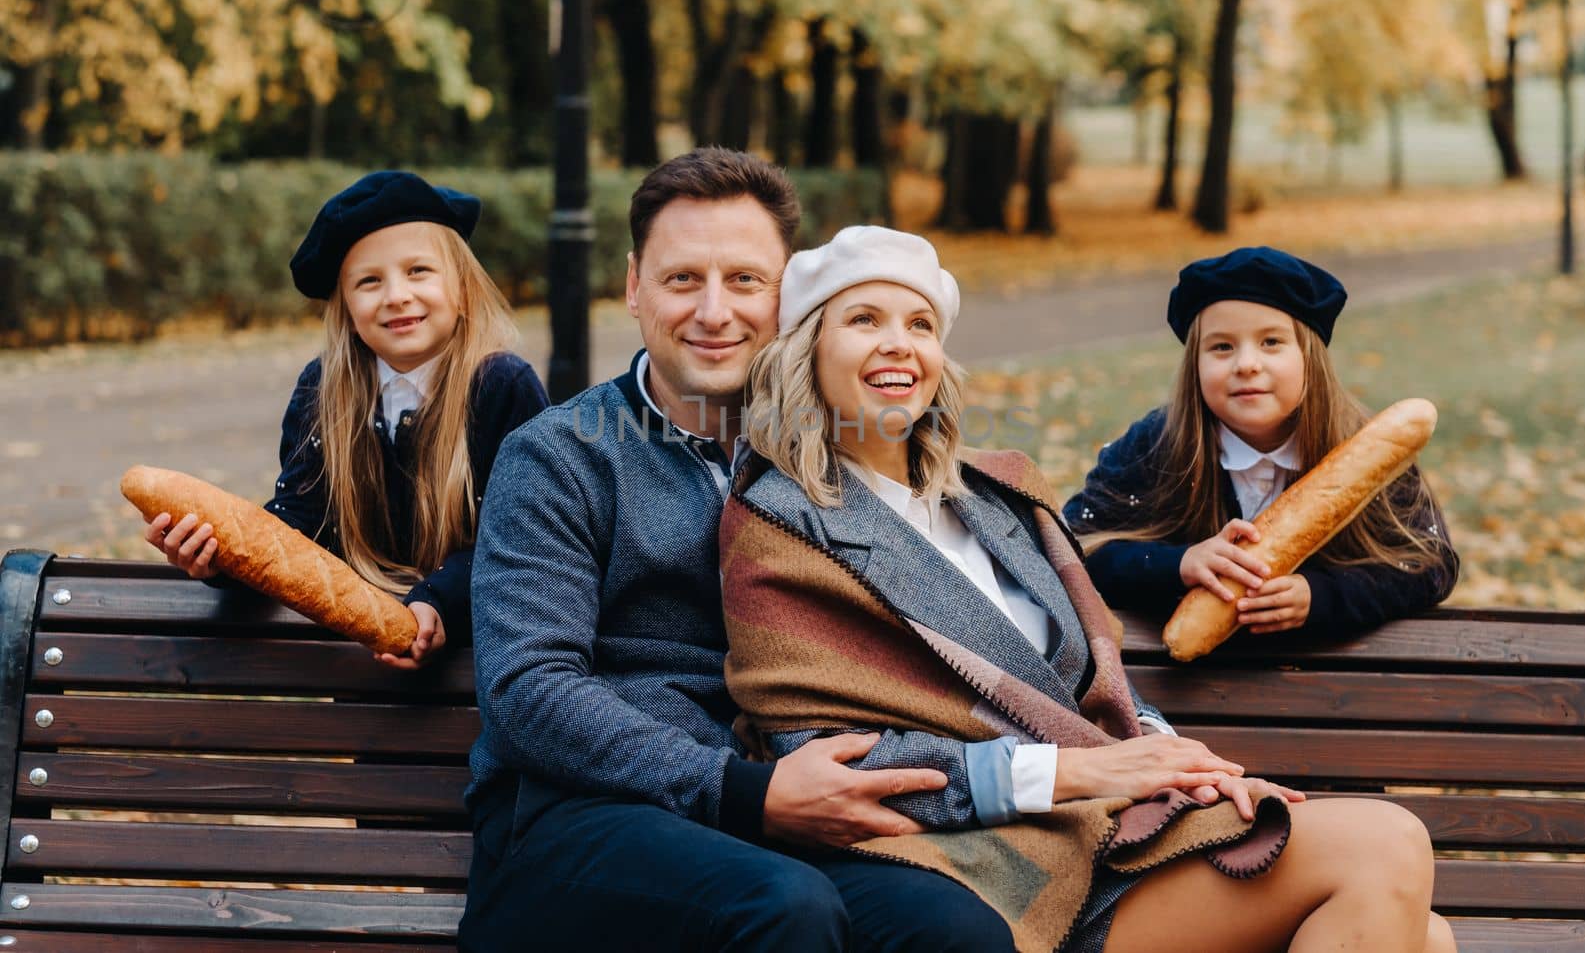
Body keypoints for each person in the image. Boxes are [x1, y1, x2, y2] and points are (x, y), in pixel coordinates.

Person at [722, 225, 1456, 953]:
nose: (898, 342)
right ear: (807, 350)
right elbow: (824, 758)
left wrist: (1178, 758)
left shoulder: (999, 491)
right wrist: (1085, 768)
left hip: (1119, 823)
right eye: (863, 320)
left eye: (919, 323)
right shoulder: (781, 521)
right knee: (1386, 844)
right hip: (993, 860)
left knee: (1427, 935)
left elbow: (1089, 681)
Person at [460, 148, 1014, 952]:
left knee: (956, 929)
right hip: (575, 817)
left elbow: (985, 556)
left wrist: (1138, 557)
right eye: (683, 278)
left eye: (745, 281)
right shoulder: (560, 455)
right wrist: (741, 790)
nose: (714, 311)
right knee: (782, 907)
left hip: (772, 808)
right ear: (633, 286)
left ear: (787, 294)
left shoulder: (835, 453)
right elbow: (527, 691)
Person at [142, 171, 547, 668]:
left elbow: (522, 541)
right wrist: (219, 559)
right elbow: (299, 531)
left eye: (419, 270)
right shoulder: (324, 391)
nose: (396, 295)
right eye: (369, 281)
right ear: (347, 307)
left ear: (462, 287)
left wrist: (437, 603)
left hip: (485, 661)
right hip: (366, 662)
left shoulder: (501, 386)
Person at [1065, 246, 1457, 638]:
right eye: (1222, 347)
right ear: (1194, 365)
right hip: (1180, 688)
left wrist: (1322, 596)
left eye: (1271, 342)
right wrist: (1178, 565)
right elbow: (1071, 548)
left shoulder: (1364, 448)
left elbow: (1432, 565)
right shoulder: (1156, 446)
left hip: (1328, 687)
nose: (1247, 364)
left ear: (1310, 358)